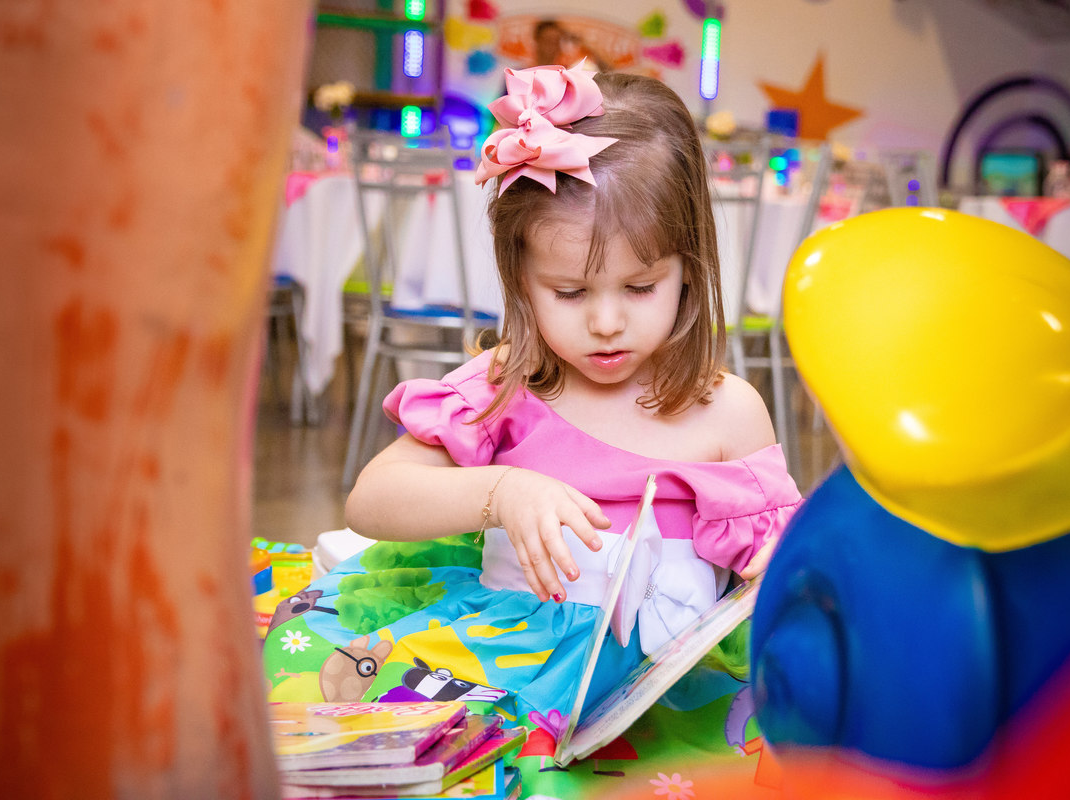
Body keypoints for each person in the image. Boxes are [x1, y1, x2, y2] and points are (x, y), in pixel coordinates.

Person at [265, 66, 803, 794]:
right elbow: (372, 500)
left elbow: (780, 572)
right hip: (496, 663)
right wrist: (499, 493)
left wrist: (774, 571)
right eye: (570, 292)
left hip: (655, 696)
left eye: (641, 287)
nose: (606, 321)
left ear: (691, 268)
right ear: (520, 278)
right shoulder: (507, 384)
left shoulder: (724, 413)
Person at [531, 17, 612, 72]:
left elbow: (608, 71)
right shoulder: (523, 68)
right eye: (548, 40)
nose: (553, 45)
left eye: (556, 41)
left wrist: (584, 44)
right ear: (537, 41)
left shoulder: (568, 69)